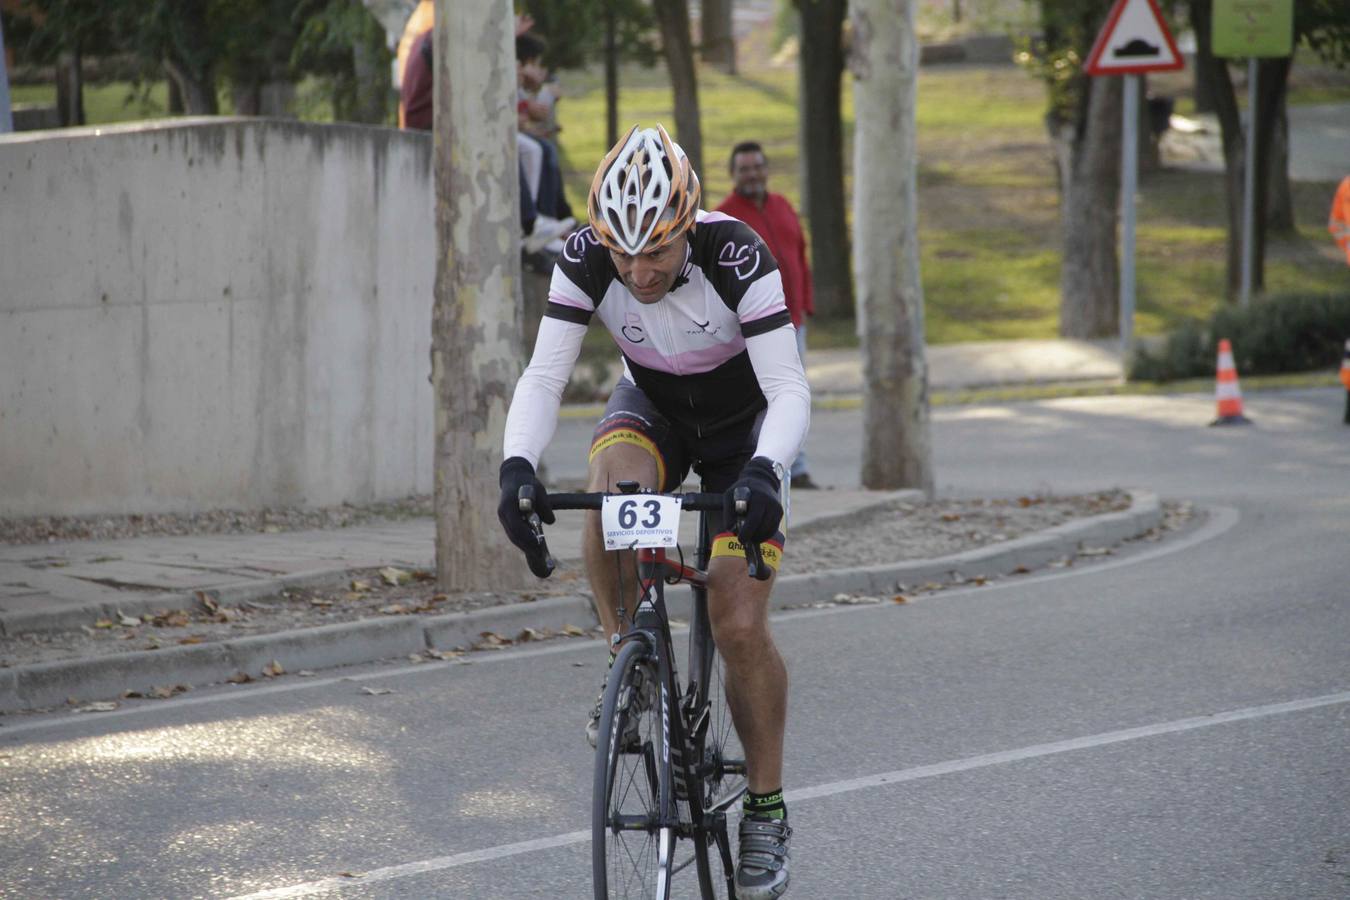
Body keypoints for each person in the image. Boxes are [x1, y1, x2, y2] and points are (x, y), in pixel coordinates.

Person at [497, 124, 808, 899]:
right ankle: (627, 660)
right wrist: (514, 471)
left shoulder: (736, 254)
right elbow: (543, 379)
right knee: (610, 491)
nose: (637, 270)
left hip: (746, 435)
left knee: (737, 621)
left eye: (657, 253)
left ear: (687, 226)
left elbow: (790, 390)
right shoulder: (586, 256)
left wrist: (768, 474)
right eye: (623, 252)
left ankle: (765, 809)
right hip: (656, 408)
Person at [715, 141, 818, 489]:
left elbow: (800, 256)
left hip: (793, 321)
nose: (752, 174)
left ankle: (796, 469)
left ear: (766, 169)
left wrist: (806, 303)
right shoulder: (724, 217)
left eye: (757, 166)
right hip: (750, 330)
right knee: (759, 398)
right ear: (733, 174)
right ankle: (757, 465)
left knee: (794, 393)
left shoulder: (783, 206)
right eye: (744, 169)